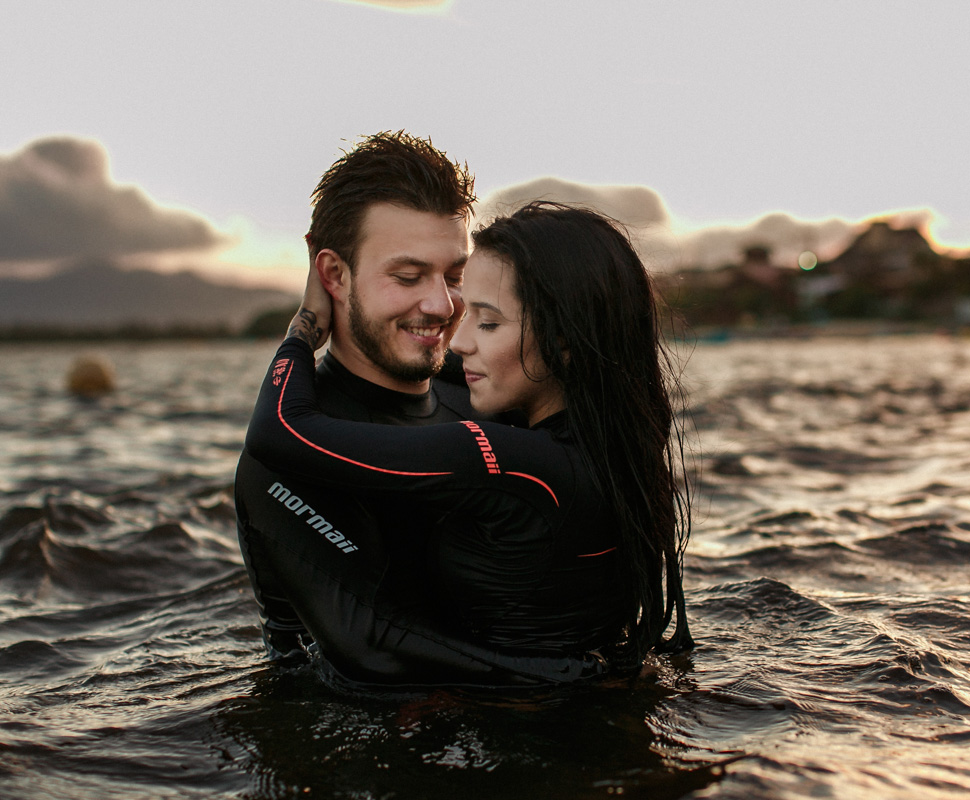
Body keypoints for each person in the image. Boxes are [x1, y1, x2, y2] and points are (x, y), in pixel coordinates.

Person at [244, 202, 693, 686]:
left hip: (515, 718)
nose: (458, 341)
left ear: (565, 340)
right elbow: (448, 363)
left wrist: (304, 328)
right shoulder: (618, 443)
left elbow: (279, 431)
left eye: (489, 323)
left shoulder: (510, 459)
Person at [234, 130, 482, 662]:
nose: (442, 305)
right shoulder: (288, 453)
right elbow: (373, 653)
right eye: (409, 276)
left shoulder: (480, 394)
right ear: (334, 276)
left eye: (455, 275)